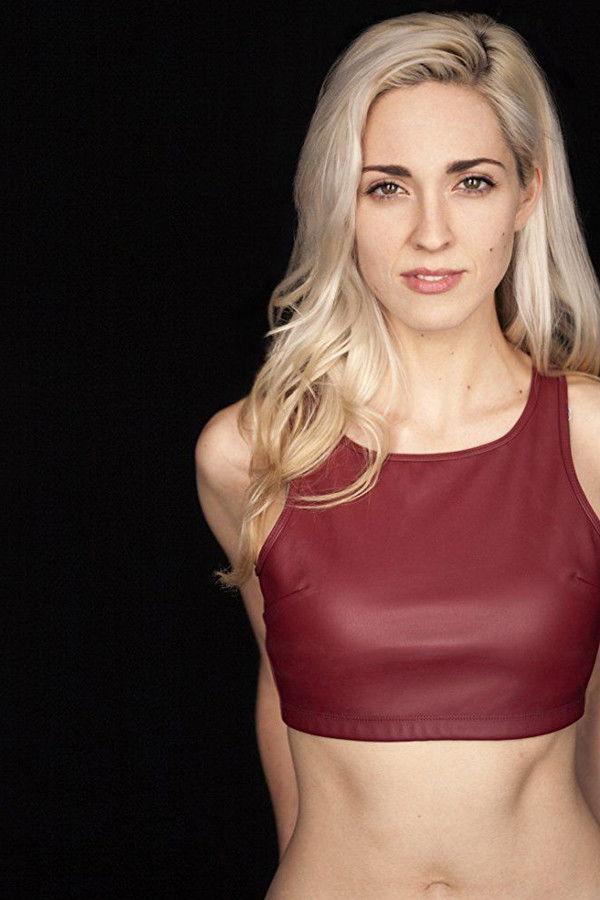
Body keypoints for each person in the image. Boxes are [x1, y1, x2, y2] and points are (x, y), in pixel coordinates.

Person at [195, 11, 600, 898]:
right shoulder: (253, 454)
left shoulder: (591, 440)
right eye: (387, 187)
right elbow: (285, 693)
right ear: (339, 201)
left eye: (472, 182)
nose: (431, 233)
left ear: (527, 193)